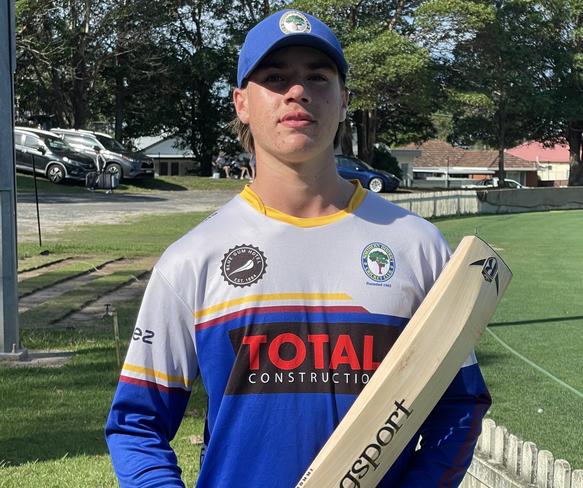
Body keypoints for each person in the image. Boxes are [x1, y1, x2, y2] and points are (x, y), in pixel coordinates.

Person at [105, 9, 490, 487]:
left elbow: (459, 405)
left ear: (344, 99)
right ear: (242, 103)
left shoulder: (416, 245)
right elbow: (136, 426)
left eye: (317, 76)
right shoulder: (193, 258)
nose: (298, 91)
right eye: (275, 77)